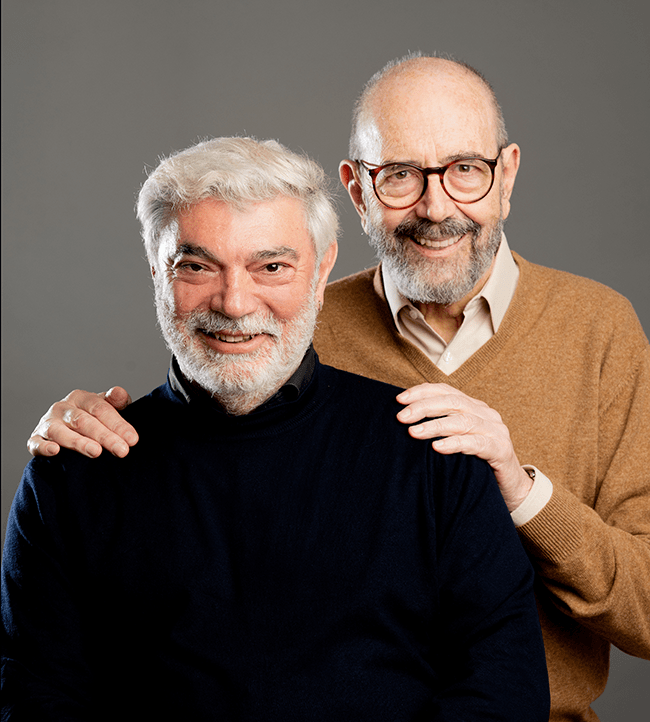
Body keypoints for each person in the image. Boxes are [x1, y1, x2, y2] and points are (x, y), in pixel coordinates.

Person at [24, 53, 650, 720]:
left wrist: (522, 493)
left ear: (506, 175)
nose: (436, 206)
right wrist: (70, 432)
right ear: (357, 189)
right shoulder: (286, 324)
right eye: (400, 176)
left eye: (467, 169)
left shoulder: (600, 330)